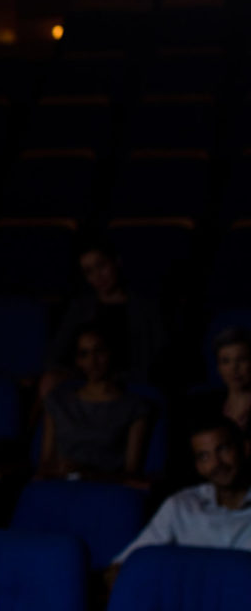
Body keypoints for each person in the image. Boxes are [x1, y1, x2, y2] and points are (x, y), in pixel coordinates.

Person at [106, 415, 251, 582]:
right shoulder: (181, 505)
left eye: (223, 449)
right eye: (204, 456)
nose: (216, 463)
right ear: (197, 465)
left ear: (245, 448)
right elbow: (122, 565)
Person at [40, 242, 168, 397]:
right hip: (87, 378)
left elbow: (157, 355)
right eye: (89, 272)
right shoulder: (81, 308)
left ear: (116, 262)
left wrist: (117, 378)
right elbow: (57, 351)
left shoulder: (145, 307)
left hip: (130, 380)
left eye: (101, 266)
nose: (98, 276)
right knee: (50, 382)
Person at [39, 325, 153, 481]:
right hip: (61, 485)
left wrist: (85, 473)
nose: (92, 361)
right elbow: (46, 462)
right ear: (77, 360)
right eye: (84, 354)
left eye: (99, 351)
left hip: (104, 489)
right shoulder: (58, 402)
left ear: (112, 353)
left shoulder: (134, 407)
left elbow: (131, 472)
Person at [188, 327, 251, 431]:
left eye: (242, 359)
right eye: (226, 361)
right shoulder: (206, 406)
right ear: (218, 367)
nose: (234, 368)